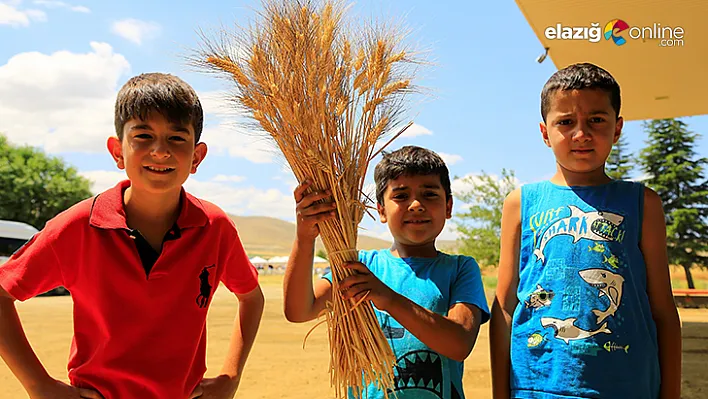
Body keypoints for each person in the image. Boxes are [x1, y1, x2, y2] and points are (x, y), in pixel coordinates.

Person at [0, 73, 265, 399]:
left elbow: (251, 296)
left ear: (196, 157)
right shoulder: (80, 226)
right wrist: (38, 384)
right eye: (143, 135)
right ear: (117, 151)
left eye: (177, 138)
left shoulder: (215, 227)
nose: (160, 151)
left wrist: (231, 376)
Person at [490, 63, 681, 399]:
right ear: (544, 132)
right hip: (537, 387)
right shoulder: (520, 203)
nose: (581, 133)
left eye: (596, 120)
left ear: (617, 128)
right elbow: (504, 307)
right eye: (565, 122)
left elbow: (663, 310)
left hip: (628, 387)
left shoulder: (643, 204)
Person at [283, 145, 490, 399]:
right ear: (381, 210)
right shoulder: (359, 265)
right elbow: (299, 310)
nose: (416, 205)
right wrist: (304, 238)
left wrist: (387, 298)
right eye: (401, 196)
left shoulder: (460, 268)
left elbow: (459, 344)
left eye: (429, 194)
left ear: (448, 207)